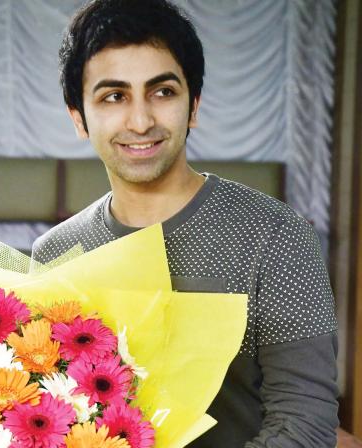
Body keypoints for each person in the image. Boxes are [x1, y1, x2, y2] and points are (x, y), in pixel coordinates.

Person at [32, 0, 339, 446]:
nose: (141, 121)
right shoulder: (57, 253)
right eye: (114, 96)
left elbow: (304, 422)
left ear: (193, 107)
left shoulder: (276, 236)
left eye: (163, 92)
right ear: (78, 116)